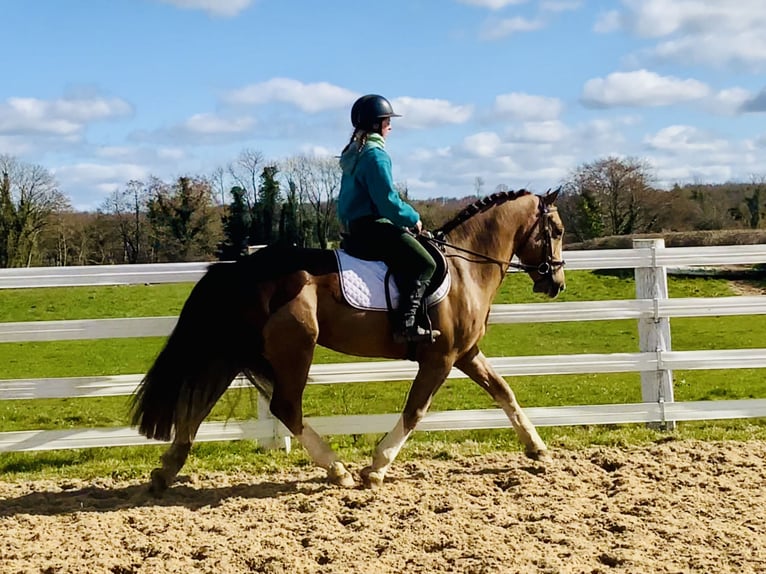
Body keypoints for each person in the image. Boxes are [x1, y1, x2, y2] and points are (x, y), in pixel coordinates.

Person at [337, 94, 439, 344]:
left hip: (355, 228)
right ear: (376, 125)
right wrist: (412, 217)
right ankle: (406, 325)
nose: (390, 126)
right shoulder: (375, 155)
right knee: (426, 263)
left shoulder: (354, 153)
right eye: (387, 121)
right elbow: (388, 202)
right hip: (374, 227)